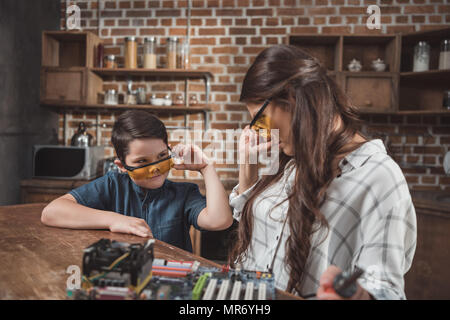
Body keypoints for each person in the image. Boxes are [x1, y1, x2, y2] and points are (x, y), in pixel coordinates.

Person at [228, 44, 417, 300]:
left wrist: (359, 296)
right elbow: (258, 231)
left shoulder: (379, 177)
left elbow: (385, 289)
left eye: (260, 120)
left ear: (293, 98)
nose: (260, 131)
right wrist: (247, 170)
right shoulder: (294, 160)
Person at [41, 110, 233, 253]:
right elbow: (51, 212)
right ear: (122, 165)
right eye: (142, 161)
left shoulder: (184, 194)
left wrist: (206, 167)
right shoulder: (112, 185)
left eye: (161, 156)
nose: (155, 168)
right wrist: (114, 220)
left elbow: (220, 221)